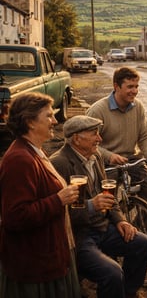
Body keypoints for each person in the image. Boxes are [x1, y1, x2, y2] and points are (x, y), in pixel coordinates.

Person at [50, 115, 147, 298]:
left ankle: (127, 292)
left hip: (103, 228)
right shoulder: (59, 163)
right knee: (112, 273)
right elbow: (58, 213)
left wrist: (121, 220)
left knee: (143, 243)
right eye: (94, 134)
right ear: (76, 138)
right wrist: (91, 205)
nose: (100, 139)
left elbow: (107, 195)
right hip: (79, 236)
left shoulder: (95, 155)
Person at [0, 92, 81, 298]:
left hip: (47, 256)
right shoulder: (19, 160)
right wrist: (58, 199)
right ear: (30, 122)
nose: (55, 120)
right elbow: (15, 216)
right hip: (34, 267)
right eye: (48, 116)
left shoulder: (35, 151)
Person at [86, 66, 147, 216]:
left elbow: (145, 136)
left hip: (131, 159)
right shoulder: (98, 110)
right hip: (105, 163)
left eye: (136, 86)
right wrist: (109, 156)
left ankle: (138, 233)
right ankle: (114, 232)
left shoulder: (138, 107)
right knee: (107, 207)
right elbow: (86, 145)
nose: (134, 91)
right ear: (116, 86)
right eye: (130, 87)